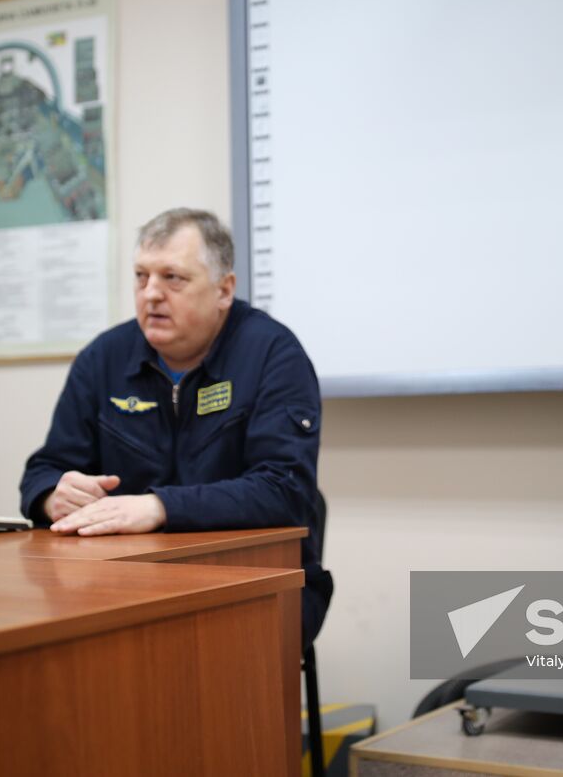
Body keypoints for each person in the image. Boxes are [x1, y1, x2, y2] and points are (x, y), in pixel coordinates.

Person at [20, 208, 333, 649]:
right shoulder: (103, 358)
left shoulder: (273, 355)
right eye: (141, 276)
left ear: (224, 290)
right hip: (127, 579)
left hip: (253, 577)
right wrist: (54, 494)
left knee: (193, 649)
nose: (151, 294)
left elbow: (285, 490)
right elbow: (44, 468)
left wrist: (159, 507)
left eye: (173, 278)